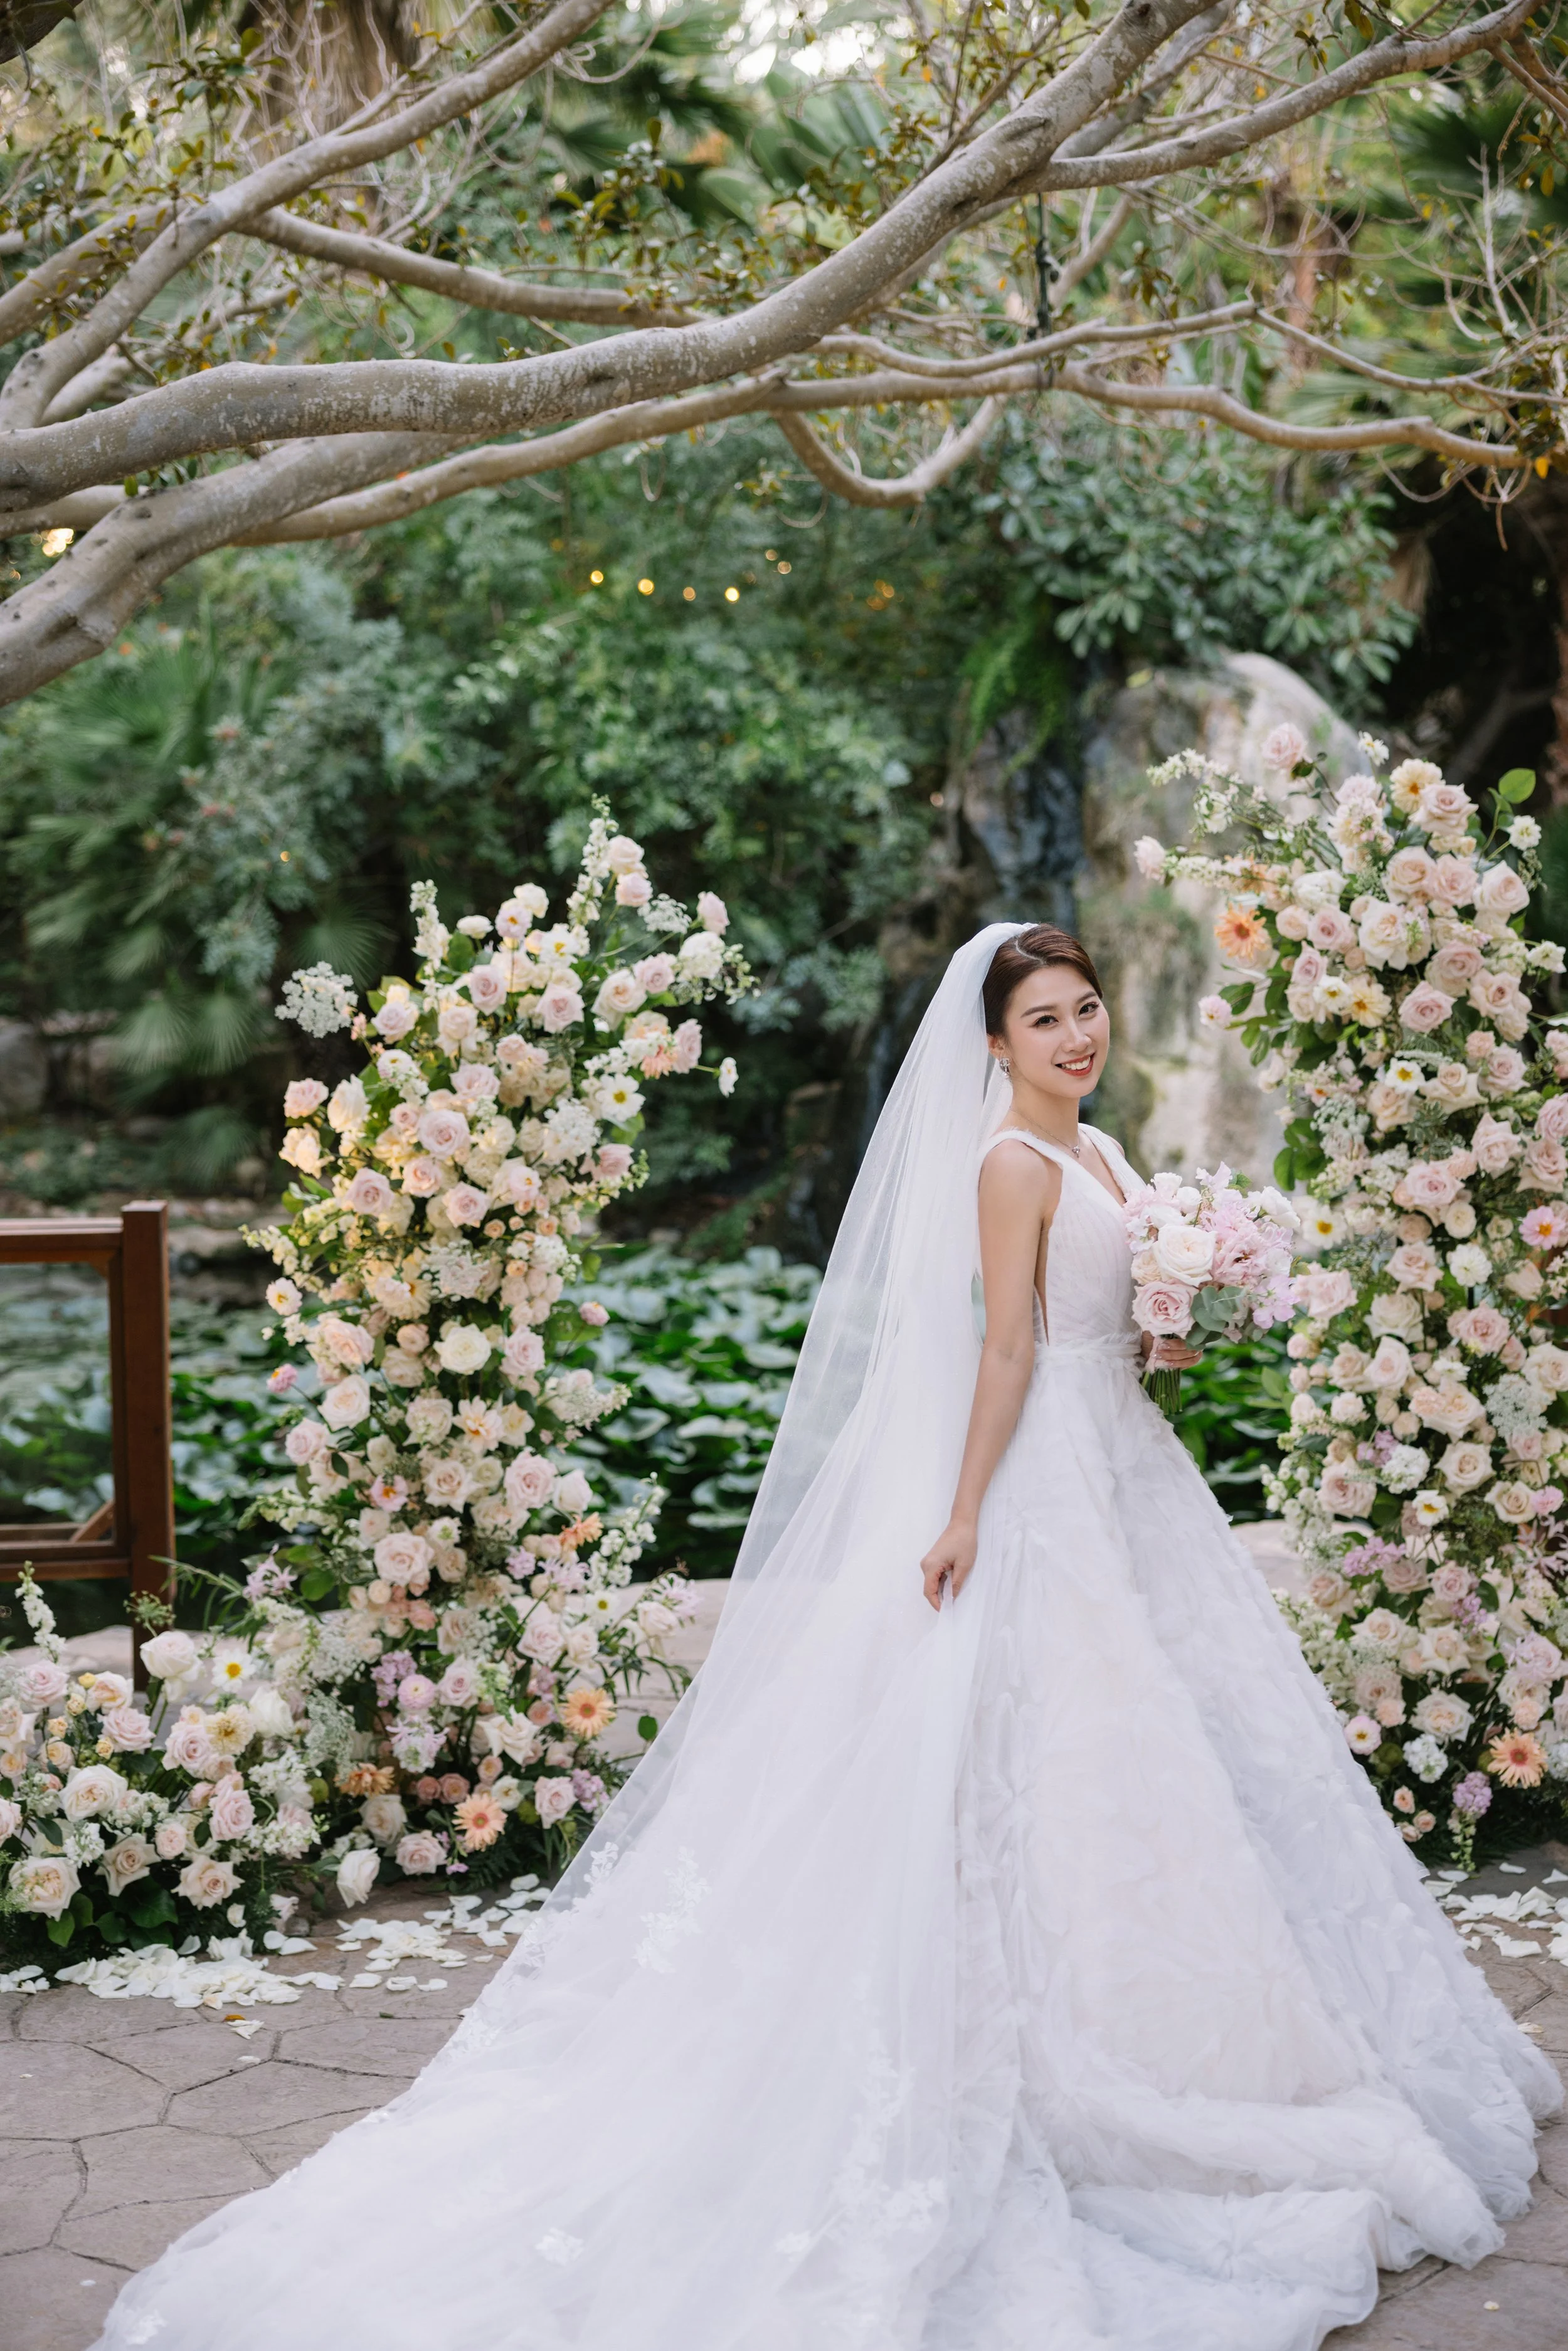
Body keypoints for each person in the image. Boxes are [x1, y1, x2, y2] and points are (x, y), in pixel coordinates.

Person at [97, 921, 1557, 2351]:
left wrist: (1172, 1321)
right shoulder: (1005, 1159)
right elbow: (1001, 1346)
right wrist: (966, 1510)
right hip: (1038, 1480)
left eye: (1085, 1006)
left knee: (1160, 1744)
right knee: (1064, 1739)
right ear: (994, 1043)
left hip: (1123, 1471)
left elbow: (1103, 1328)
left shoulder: (1104, 1154)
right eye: (1043, 1018)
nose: (1076, 1033)